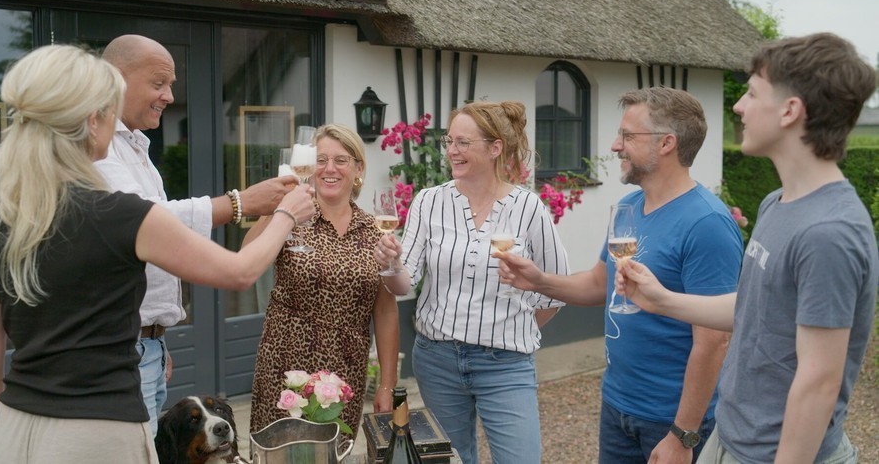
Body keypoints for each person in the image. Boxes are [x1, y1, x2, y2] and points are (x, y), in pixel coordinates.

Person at [0, 44, 315, 463]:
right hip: (98, 432)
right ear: (93, 119)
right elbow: (240, 272)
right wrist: (285, 215)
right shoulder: (122, 215)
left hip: (16, 424)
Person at [617, 33, 878, 464]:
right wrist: (662, 300)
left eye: (752, 93)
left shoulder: (830, 230)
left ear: (790, 111)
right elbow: (757, 306)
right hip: (731, 439)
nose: (738, 106)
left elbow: (818, 382)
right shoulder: (777, 203)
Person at [496, 87, 743, 463]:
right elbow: (600, 283)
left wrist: (683, 435)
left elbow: (714, 341)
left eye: (628, 136)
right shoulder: (629, 207)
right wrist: (539, 280)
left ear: (667, 144)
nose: (615, 145)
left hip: (670, 419)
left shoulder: (707, 223)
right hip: (618, 405)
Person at [96, 34, 299, 436]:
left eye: (171, 84)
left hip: (145, 345)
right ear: (115, 80)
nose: (170, 96)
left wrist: (157, 338)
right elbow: (150, 222)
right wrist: (248, 205)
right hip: (123, 351)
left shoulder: (137, 146)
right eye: (159, 83)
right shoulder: (99, 152)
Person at [376, 101, 569, 464]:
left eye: (463, 143)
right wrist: (391, 264)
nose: (452, 150)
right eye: (449, 141)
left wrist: (511, 331)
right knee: (452, 459)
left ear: (495, 147)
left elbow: (555, 291)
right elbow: (405, 284)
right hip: (437, 360)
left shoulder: (528, 208)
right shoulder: (429, 202)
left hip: (506, 364)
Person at [246, 124, 399, 439]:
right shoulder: (289, 216)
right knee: (281, 456)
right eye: (321, 159)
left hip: (345, 374)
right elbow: (246, 258)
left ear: (358, 169)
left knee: (334, 453)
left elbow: (385, 311)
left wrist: (387, 384)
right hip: (285, 369)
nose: (330, 168)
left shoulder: (375, 230)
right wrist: (278, 207)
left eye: (341, 160)